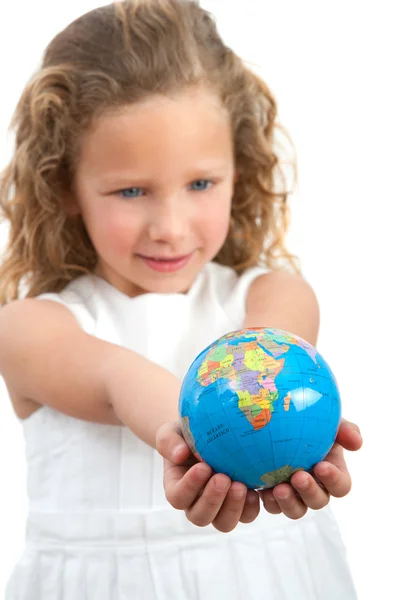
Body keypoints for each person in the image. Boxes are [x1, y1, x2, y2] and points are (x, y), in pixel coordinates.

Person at [0, 1, 362, 598]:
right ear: (65, 186)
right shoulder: (31, 329)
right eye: (131, 190)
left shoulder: (274, 293)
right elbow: (118, 380)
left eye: (200, 184)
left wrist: (270, 440)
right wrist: (200, 446)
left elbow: (267, 354)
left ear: (238, 172)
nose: (169, 225)